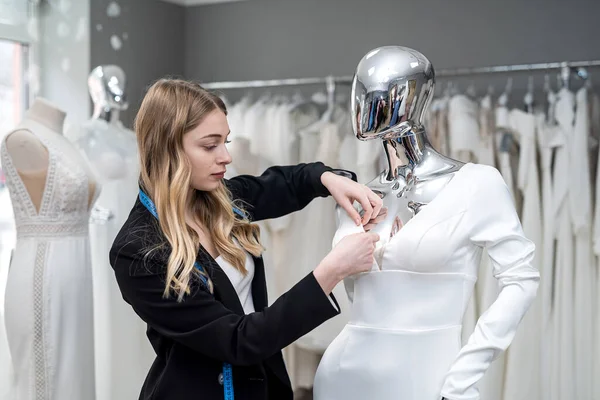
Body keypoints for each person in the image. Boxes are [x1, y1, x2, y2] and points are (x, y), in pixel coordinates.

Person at [109, 78, 385, 400]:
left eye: (225, 141)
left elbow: (285, 183)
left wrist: (327, 178)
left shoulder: (218, 200)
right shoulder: (138, 252)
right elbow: (236, 341)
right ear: (167, 148)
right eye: (210, 146)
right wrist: (331, 272)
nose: (226, 156)